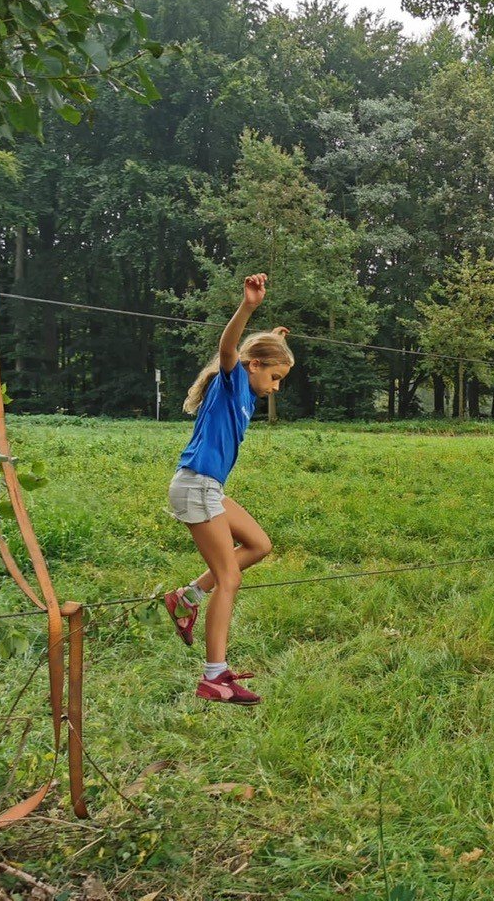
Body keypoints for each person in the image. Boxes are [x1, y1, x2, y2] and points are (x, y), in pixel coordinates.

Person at [163, 274, 295, 705]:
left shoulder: (247, 391)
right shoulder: (231, 379)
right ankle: (214, 677)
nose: (276, 388)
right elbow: (229, 350)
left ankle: (186, 598)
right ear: (253, 364)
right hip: (196, 484)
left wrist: (272, 339)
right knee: (230, 577)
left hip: (208, 488)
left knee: (258, 544)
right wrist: (248, 309)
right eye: (274, 376)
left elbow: (256, 357)